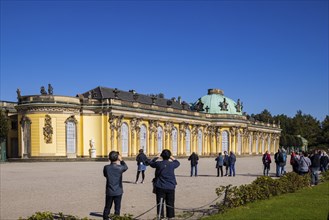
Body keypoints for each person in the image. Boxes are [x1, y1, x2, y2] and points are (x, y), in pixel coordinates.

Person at [149, 149, 180, 220]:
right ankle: (170, 217)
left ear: (162, 156)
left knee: (160, 203)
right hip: (170, 186)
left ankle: (160, 217)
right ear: (169, 156)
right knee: (170, 203)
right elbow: (177, 162)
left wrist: (156, 157)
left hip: (160, 186)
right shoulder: (172, 164)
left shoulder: (158, 164)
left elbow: (150, 163)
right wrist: (172, 157)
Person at [103, 151, 128, 220]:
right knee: (117, 208)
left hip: (109, 190)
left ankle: (105, 218)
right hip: (118, 191)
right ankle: (116, 218)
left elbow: (105, 175)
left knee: (107, 207)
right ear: (117, 158)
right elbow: (126, 167)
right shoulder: (120, 168)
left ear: (109, 158)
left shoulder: (106, 167)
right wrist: (121, 160)